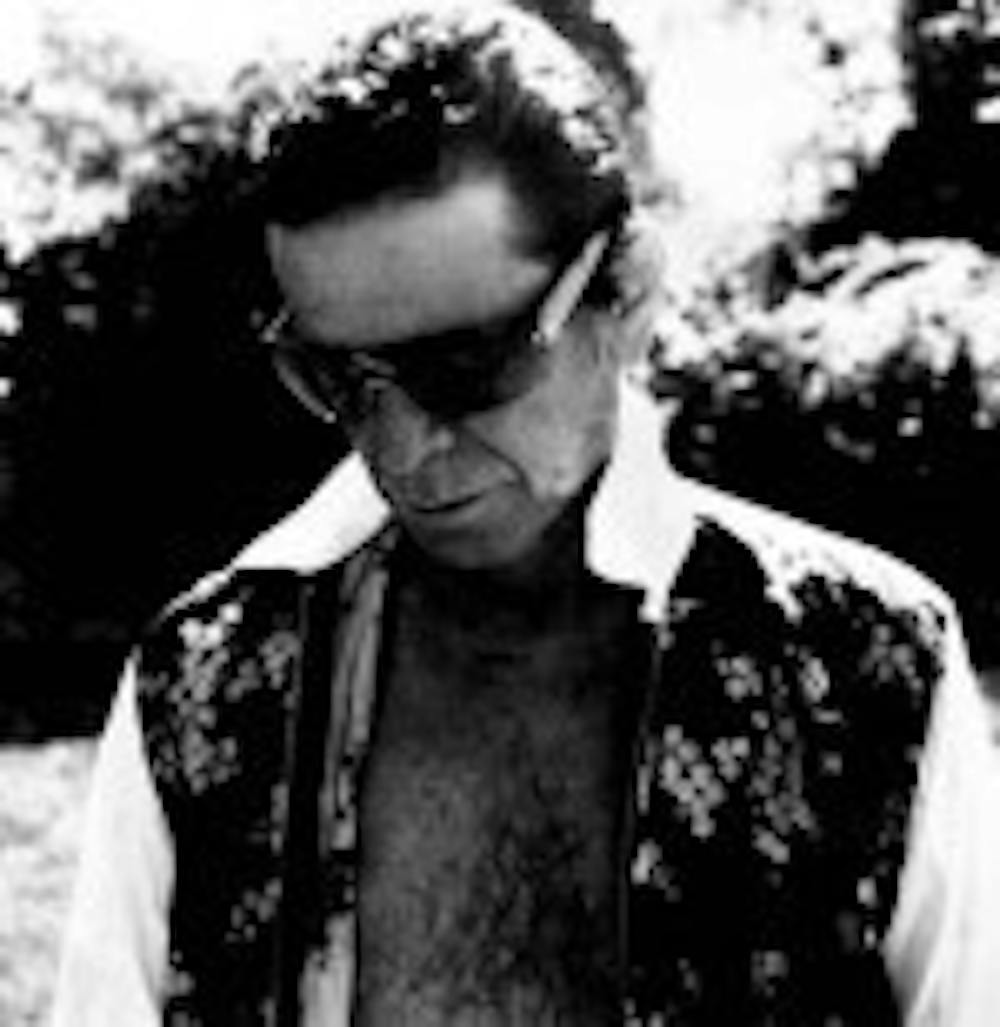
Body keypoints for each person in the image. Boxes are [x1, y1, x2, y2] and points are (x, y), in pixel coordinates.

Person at [50, 3, 1000, 1025]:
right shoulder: (202, 683)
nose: (401, 449)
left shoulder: (865, 665)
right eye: (337, 377)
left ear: (627, 293)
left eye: (464, 365)